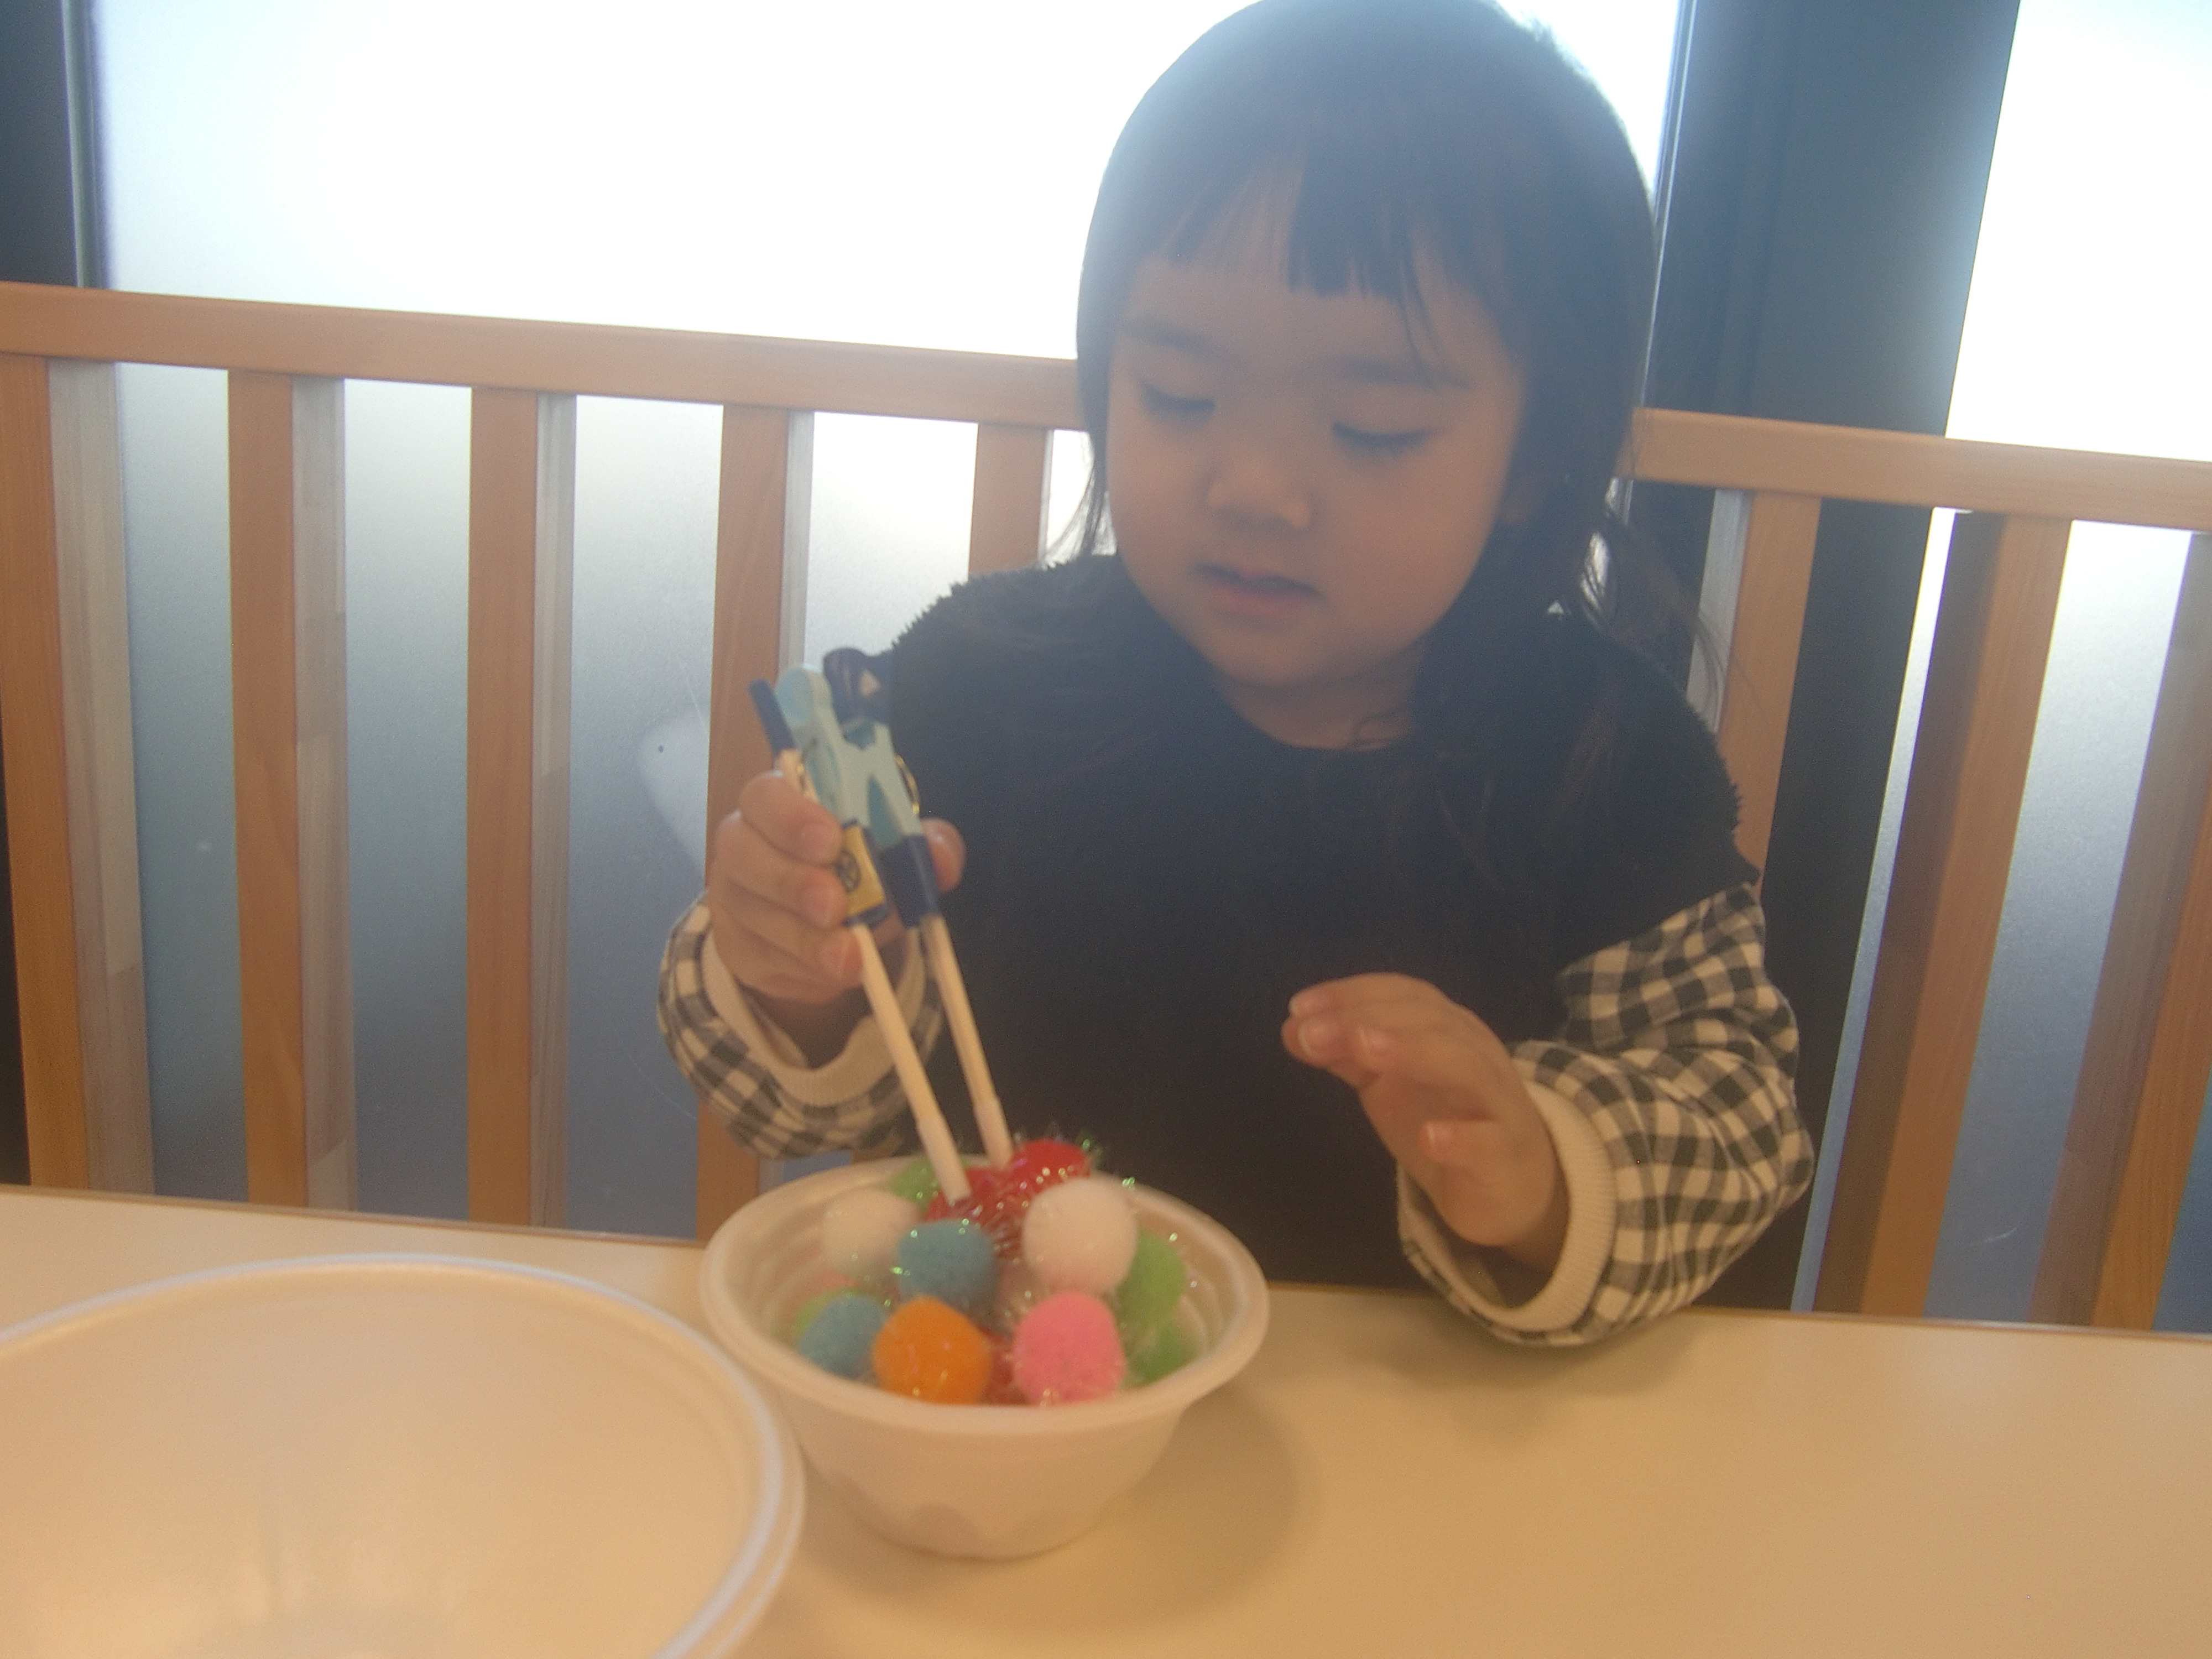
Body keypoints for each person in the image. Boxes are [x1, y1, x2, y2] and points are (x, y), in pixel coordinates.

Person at [659, 0, 1813, 1347]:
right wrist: (794, 983)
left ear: (1535, 461)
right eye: (1181, 396)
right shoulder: (980, 684)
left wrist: (1546, 1170)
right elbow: (793, 1101)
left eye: (1370, 427)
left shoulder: (1599, 758)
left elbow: (1738, 1112)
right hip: (1005, 1407)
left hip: (1427, 1432)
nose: (1253, 487)